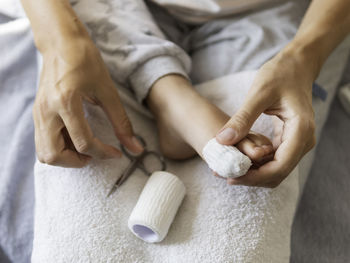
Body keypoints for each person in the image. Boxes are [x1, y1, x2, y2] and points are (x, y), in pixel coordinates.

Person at [21, 0, 350, 188]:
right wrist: (59, 43)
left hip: (265, 10)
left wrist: (302, 57)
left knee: (267, 130)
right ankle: (170, 96)